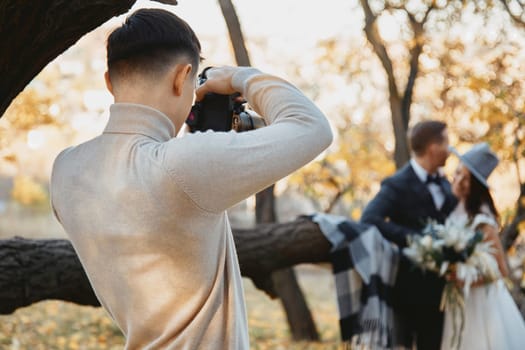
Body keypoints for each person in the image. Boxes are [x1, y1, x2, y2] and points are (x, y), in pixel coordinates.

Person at [50, 8, 332, 350]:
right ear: (182, 77)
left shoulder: (65, 170)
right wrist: (239, 77)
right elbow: (311, 127)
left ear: (109, 82)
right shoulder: (182, 167)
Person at [361, 120, 458, 350]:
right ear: (433, 147)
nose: (450, 149)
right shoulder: (397, 184)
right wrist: (414, 239)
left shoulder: (445, 183)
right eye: (446, 142)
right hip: (407, 289)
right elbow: (369, 218)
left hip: (443, 290)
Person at [441, 142, 525, 350]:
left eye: (466, 178)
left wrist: (468, 279)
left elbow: (502, 270)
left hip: (482, 303)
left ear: (476, 186)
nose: (459, 180)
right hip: (458, 301)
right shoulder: (452, 210)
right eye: (458, 172)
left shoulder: (482, 220)